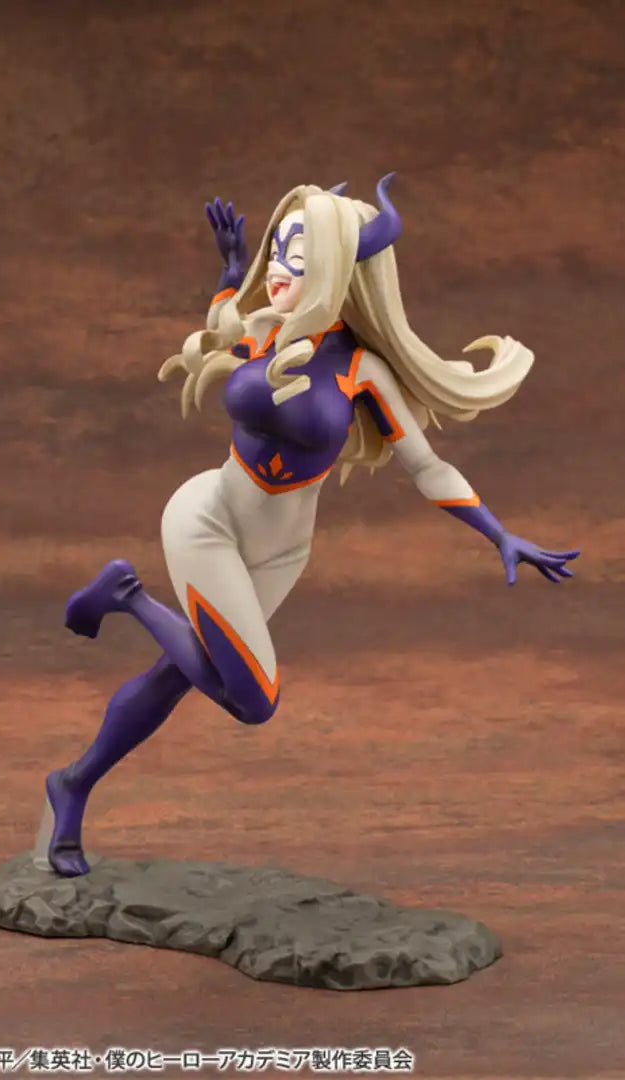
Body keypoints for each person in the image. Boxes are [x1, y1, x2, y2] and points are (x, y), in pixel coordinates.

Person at [33, 176, 580, 877]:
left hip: (281, 553)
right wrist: (231, 274)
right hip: (210, 522)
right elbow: (222, 325)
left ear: (336, 269)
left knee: (181, 674)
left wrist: (497, 532)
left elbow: (427, 465)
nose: (279, 270)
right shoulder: (262, 332)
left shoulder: (360, 369)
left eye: (300, 255)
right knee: (253, 700)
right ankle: (128, 594)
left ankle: (73, 785)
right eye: (278, 251)